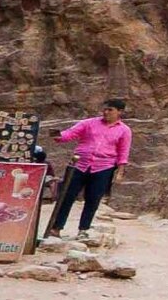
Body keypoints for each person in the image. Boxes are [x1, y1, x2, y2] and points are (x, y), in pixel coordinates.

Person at [44, 98, 132, 241]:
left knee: (93, 199)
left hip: (104, 167)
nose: (106, 112)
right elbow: (70, 134)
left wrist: (120, 171)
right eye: (105, 109)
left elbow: (123, 152)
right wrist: (58, 136)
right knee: (66, 196)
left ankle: (83, 230)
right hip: (79, 165)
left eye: (110, 110)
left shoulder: (124, 130)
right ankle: (56, 228)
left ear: (119, 112)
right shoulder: (89, 123)